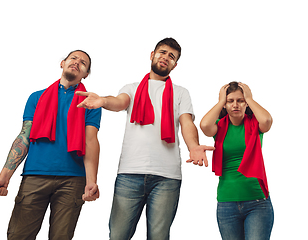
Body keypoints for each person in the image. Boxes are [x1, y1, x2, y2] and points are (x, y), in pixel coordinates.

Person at [76, 38, 214, 240]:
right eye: (162, 52)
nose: (166, 57)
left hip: (167, 177)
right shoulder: (131, 88)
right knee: (118, 235)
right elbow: (120, 102)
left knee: (159, 236)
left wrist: (193, 146)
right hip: (130, 174)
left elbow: (186, 123)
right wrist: (103, 101)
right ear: (152, 55)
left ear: (175, 65)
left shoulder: (181, 93)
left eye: (171, 56)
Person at [0, 50, 102, 240]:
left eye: (83, 63)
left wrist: (91, 181)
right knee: (19, 235)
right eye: (73, 58)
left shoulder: (91, 103)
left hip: (72, 180)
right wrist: (4, 175)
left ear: (86, 74)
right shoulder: (36, 97)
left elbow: (91, 141)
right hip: (35, 175)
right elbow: (24, 137)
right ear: (62, 63)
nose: (77, 62)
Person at [199, 82, 274, 240]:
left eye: (240, 100)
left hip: (257, 202)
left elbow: (267, 120)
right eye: (230, 101)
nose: (235, 105)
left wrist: (250, 98)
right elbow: (205, 125)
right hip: (227, 203)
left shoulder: (255, 125)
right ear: (225, 105)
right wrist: (220, 101)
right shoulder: (219, 127)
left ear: (246, 103)